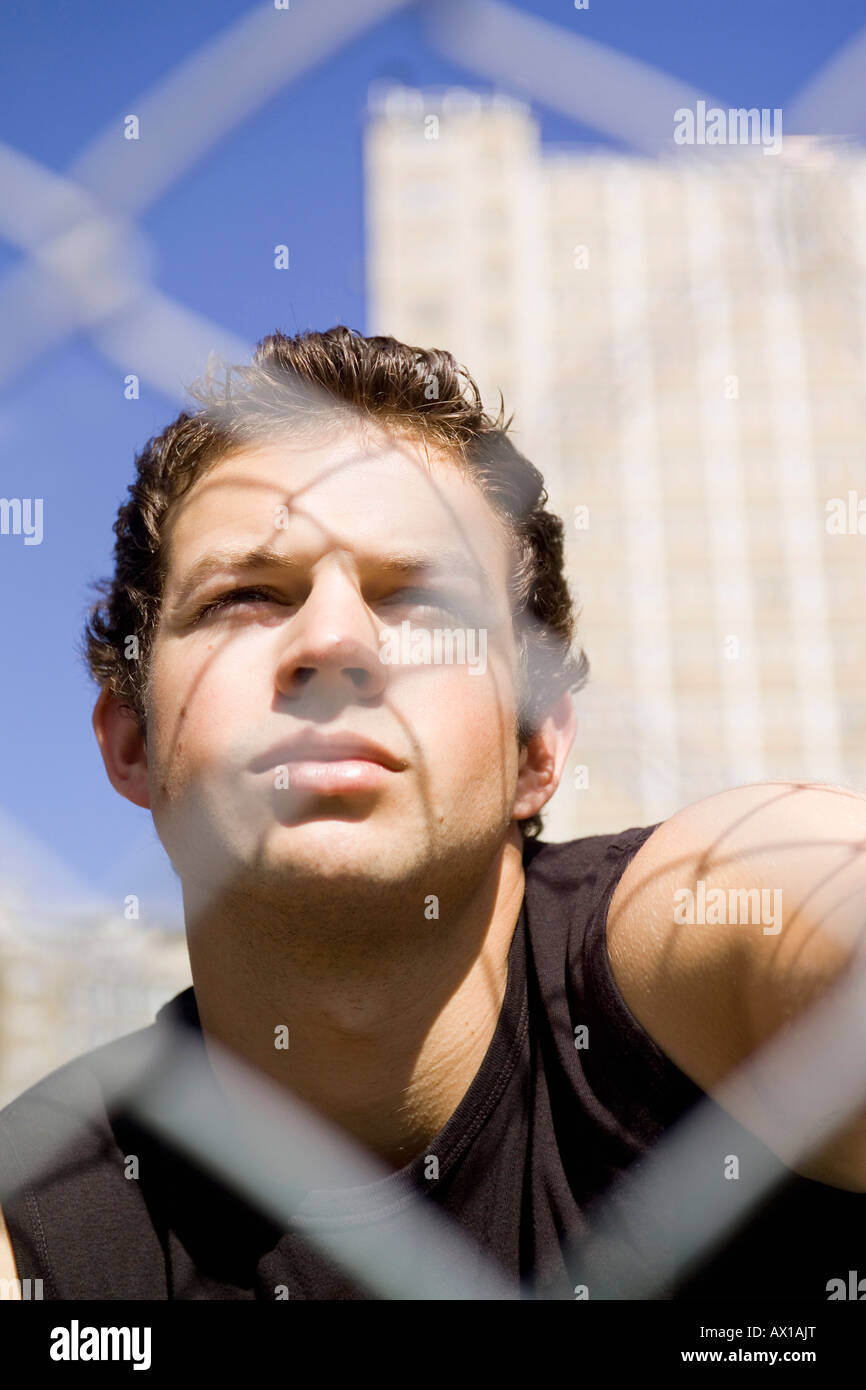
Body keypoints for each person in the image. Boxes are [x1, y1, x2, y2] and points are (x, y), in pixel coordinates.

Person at [0, 326, 863, 1301]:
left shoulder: (696, 939)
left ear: (535, 745)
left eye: (419, 602)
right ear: (131, 743)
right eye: (247, 595)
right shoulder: (47, 1212)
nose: (331, 641)